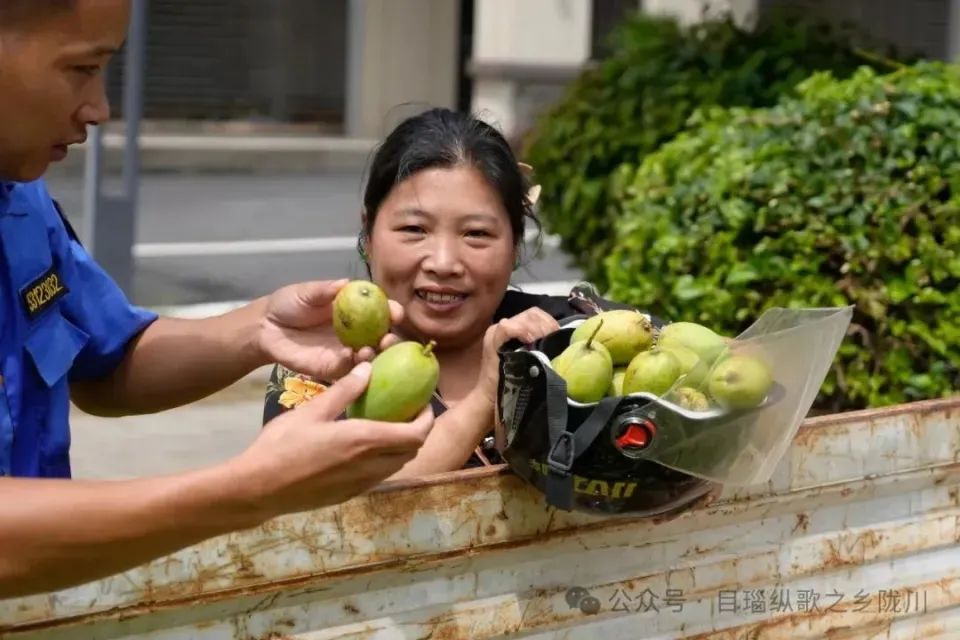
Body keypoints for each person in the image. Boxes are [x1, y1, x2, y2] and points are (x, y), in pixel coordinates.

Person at [0, 0, 435, 599]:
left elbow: (107, 362)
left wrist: (260, 328)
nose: (99, 108)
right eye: (81, 68)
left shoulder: (22, 203)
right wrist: (250, 488)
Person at [263, 107, 632, 477]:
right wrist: (486, 398)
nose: (443, 262)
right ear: (369, 234)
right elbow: (317, 495)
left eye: (476, 234)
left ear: (515, 245)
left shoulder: (574, 336)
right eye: (414, 229)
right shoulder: (319, 364)